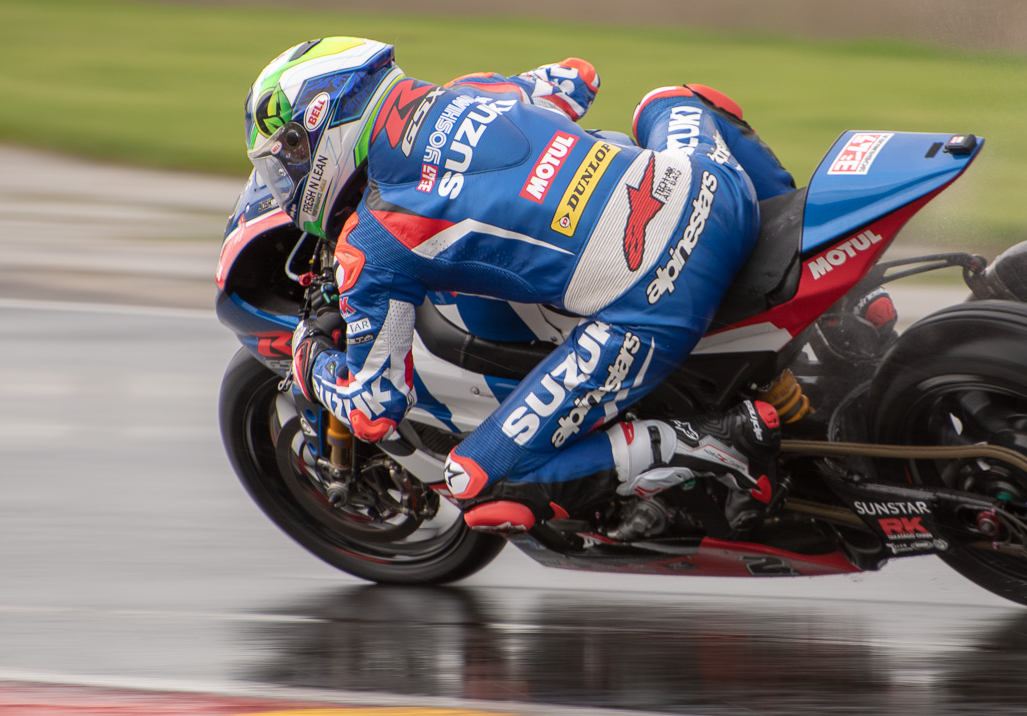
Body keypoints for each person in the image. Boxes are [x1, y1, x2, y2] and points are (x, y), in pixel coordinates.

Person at [242, 36, 796, 538]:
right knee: (671, 98)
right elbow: (578, 76)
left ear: (320, 130)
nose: (286, 181)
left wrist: (308, 360)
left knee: (474, 482)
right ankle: (802, 229)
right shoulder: (474, 89)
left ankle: (706, 443)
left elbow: (373, 409)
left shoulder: (373, 240)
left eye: (287, 158)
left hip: (658, 298)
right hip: (715, 187)